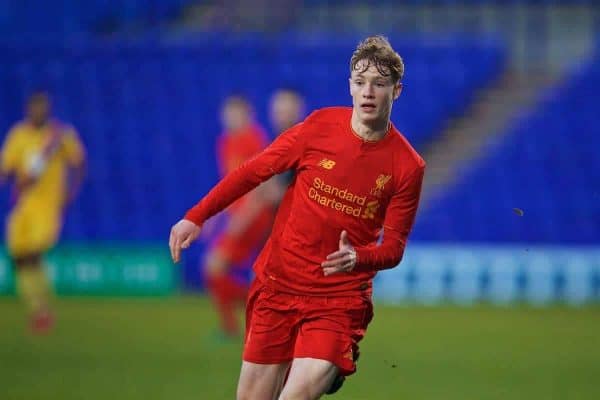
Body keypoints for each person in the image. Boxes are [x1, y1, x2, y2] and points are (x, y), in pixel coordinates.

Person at [170, 36, 425, 399]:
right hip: (279, 284)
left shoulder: (408, 166)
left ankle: (327, 359)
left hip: (339, 298)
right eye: (360, 82)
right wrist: (196, 216)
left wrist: (359, 258)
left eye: (379, 84)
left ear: (396, 90)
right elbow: (253, 171)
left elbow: (395, 248)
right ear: (349, 86)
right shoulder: (319, 126)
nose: (368, 92)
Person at [0, 91, 86, 333]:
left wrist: (71, 192)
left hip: (47, 206)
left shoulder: (60, 136)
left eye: (43, 107)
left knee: (33, 255)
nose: (39, 111)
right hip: (23, 205)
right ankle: (39, 309)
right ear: (28, 109)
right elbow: (6, 169)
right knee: (18, 258)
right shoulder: (18, 135)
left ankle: (44, 310)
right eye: (34, 107)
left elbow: (79, 163)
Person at [202, 95, 274, 338]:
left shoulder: (253, 139)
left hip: (255, 215)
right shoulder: (225, 142)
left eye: (236, 113)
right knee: (216, 267)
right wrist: (215, 213)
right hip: (241, 215)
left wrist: (243, 219)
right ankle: (259, 311)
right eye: (227, 113)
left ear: (248, 114)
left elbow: (260, 185)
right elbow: (230, 184)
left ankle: (235, 323)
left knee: (214, 265)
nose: (230, 118)